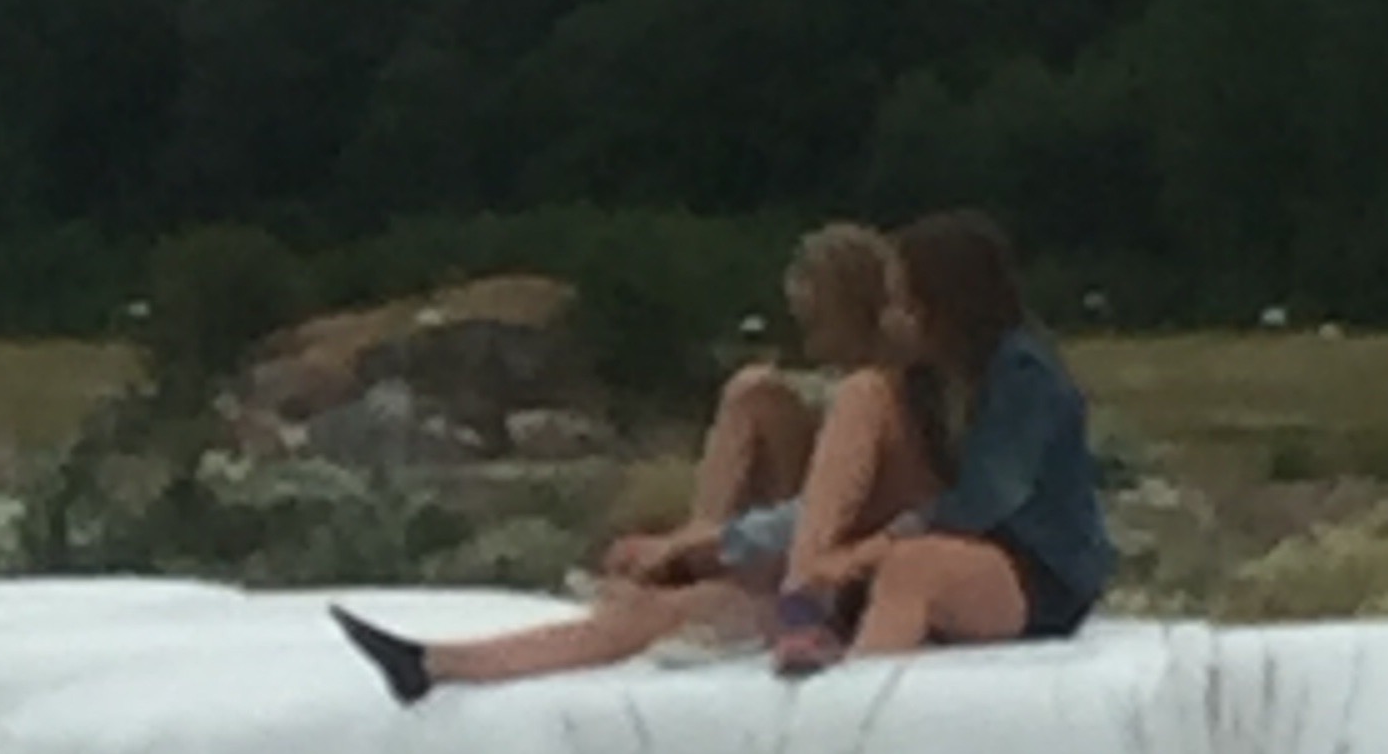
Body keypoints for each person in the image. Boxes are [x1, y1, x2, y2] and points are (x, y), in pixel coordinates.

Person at [330, 222, 947, 703]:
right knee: (751, 397)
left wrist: (706, 542)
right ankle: (437, 662)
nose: (805, 339)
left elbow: (832, 515)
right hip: (826, 572)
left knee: (650, 618)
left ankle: (441, 664)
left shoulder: (873, 400)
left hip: (831, 590)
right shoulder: (897, 399)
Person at [772, 208, 1112, 672]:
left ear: (942, 304)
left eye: (901, 303)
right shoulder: (929, 379)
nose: (888, 320)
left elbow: (986, 499)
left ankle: (859, 691)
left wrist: (871, 550)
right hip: (962, 550)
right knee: (865, 398)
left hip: (1036, 571)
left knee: (914, 568)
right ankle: (808, 600)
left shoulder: (1024, 375)